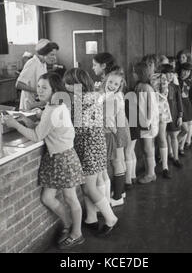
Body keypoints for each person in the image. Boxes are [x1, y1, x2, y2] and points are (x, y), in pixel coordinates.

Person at [4, 73, 85, 249]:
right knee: (48, 198)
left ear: (55, 90)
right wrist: (27, 121)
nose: (39, 90)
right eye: (38, 86)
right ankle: (68, 223)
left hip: (63, 158)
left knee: (70, 198)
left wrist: (16, 125)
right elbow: (46, 129)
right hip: (57, 157)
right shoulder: (54, 106)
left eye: (44, 87)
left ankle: (77, 234)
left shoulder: (53, 109)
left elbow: (37, 136)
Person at [63, 68, 119, 236]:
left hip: (88, 147)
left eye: (67, 83)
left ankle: (110, 218)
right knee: (88, 185)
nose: (65, 86)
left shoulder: (81, 100)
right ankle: (91, 219)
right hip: (94, 145)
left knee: (88, 188)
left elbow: (78, 129)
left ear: (75, 84)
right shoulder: (91, 95)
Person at [103, 67, 132, 205]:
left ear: (120, 85)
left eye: (115, 84)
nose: (112, 85)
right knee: (118, 160)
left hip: (116, 131)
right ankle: (121, 192)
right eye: (110, 82)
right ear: (105, 80)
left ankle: (118, 197)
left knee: (116, 161)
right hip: (120, 128)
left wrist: (113, 132)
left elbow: (109, 119)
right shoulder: (116, 95)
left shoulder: (112, 98)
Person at [134, 62, 159, 184]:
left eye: (135, 72)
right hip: (144, 122)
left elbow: (150, 108)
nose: (132, 74)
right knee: (147, 148)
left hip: (147, 124)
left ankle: (150, 174)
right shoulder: (141, 86)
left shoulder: (146, 88)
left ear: (140, 74)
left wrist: (146, 123)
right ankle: (149, 171)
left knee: (147, 148)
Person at [16, 39, 59, 111]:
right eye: (52, 54)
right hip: (29, 104)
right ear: (43, 53)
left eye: (55, 55)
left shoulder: (43, 63)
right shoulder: (32, 63)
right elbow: (19, 84)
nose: (54, 57)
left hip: (38, 103)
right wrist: (38, 91)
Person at [150, 66, 173, 179]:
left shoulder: (161, 77)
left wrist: (153, 93)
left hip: (161, 108)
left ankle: (165, 166)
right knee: (152, 137)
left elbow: (164, 94)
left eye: (152, 64)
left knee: (161, 136)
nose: (151, 66)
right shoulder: (146, 77)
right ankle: (152, 165)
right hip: (151, 109)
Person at [161, 64, 183, 167]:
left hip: (173, 114)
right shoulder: (159, 86)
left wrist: (180, 116)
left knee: (173, 136)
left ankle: (176, 158)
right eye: (167, 72)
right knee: (163, 136)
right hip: (162, 115)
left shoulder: (175, 87)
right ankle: (165, 156)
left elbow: (179, 102)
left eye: (172, 73)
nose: (170, 75)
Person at [178, 63, 192, 153]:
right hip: (180, 105)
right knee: (184, 128)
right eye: (184, 70)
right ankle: (177, 145)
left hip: (187, 105)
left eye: (188, 71)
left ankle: (181, 147)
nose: (186, 73)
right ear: (180, 70)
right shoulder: (177, 81)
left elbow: (191, 96)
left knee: (188, 127)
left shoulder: (189, 82)